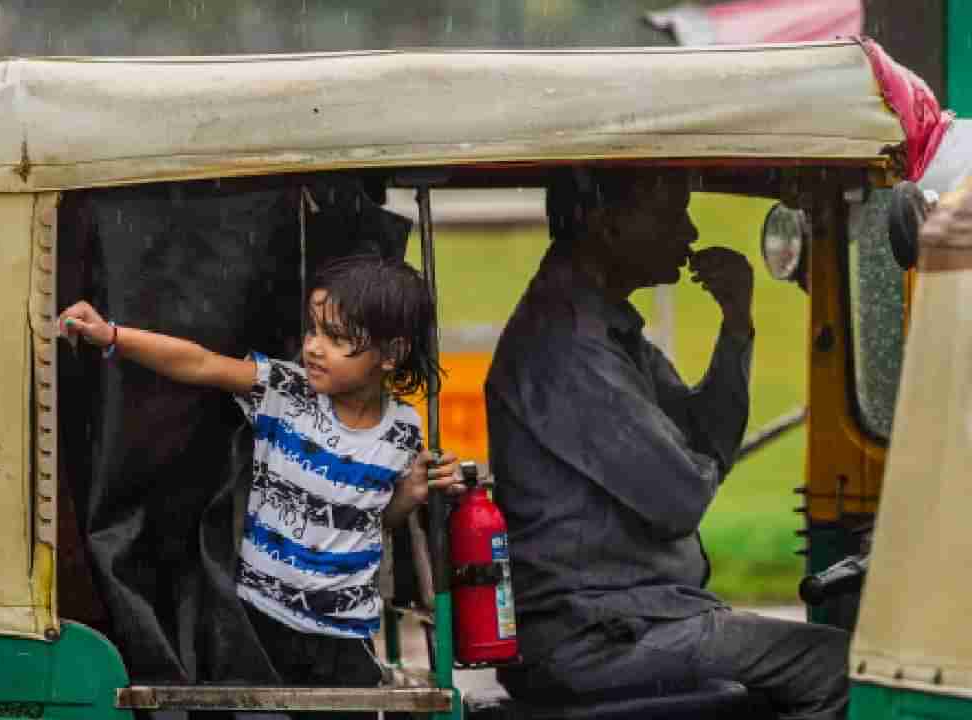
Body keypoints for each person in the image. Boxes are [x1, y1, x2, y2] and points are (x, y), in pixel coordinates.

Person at [487, 169, 849, 719]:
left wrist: (736, 324)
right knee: (845, 666)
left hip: (633, 617)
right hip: (596, 634)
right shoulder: (570, 348)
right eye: (670, 214)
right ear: (606, 225)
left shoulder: (608, 328)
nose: (690, 231)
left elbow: (706, 440)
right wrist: (690, 462)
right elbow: (681, 497)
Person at [60, 255, 466, 714]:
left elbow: (371, 522)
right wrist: (112, 335)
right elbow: (199, 363)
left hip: (344, 639)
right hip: (258, 627)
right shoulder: (285, 392)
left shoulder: (403, 431)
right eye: (314, 330)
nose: (314, 347)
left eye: (337, 338)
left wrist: (409, 495)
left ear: (390, 355)